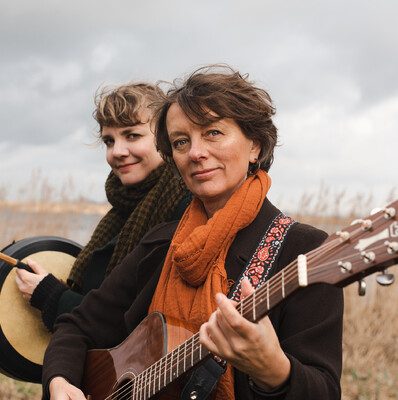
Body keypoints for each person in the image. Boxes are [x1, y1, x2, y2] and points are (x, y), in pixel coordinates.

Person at [42, 65, 343, 399]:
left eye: (213, 132)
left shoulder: (304, 251)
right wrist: (61, 381)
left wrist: (275, 370)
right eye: (181, 142)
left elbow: (324, 391)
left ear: (255, 145)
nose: (196, 153)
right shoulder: (161, 243)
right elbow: (78, 325)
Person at [15, 82, 190, 332]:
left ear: (165, 137)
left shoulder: (183, 206)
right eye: (109, 141)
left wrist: (51, 295)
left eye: (132, 135)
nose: (117, 152)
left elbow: (130, 319)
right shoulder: (123, 210)